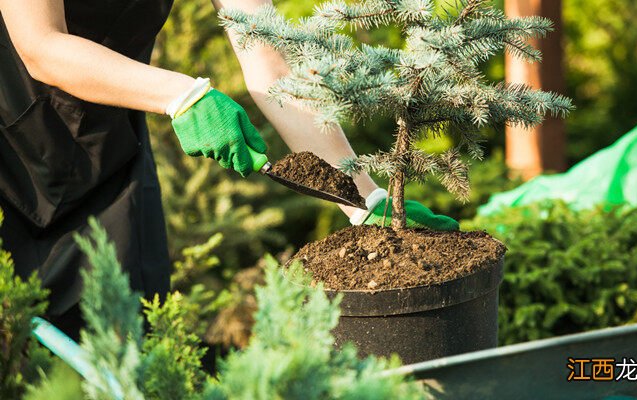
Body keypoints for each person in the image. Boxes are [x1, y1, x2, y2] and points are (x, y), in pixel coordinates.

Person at [0, 0, 458, 338]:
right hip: (9, 150)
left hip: (108, 144)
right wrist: (180, 95)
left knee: (128, 335)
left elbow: (270, 61)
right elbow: (41, 45)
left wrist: (363, 199)